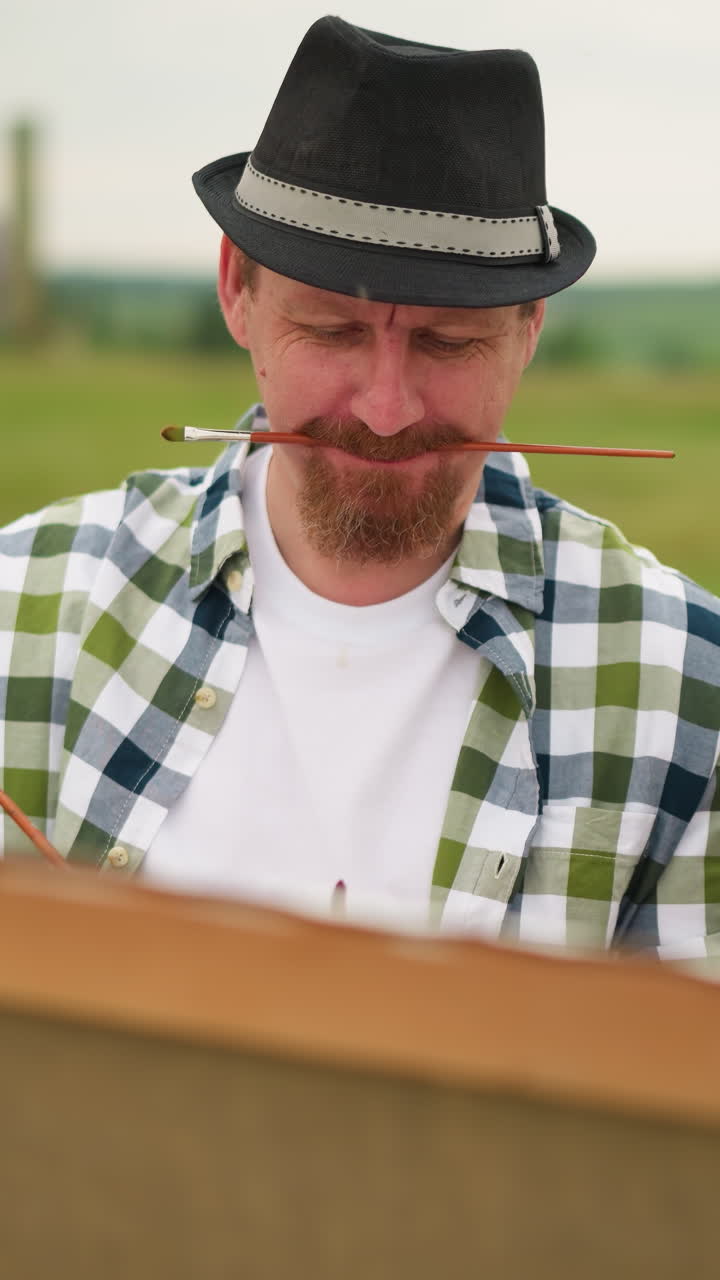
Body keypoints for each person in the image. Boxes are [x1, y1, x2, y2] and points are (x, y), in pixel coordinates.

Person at [1, 16, 719, 960]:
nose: (385, 410)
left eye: (448, 342)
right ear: (237, 293)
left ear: (529, 326)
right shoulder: (23, 614)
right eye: (333, 332)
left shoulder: (685, 693)